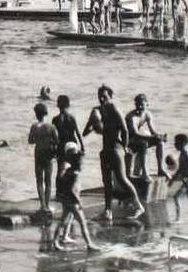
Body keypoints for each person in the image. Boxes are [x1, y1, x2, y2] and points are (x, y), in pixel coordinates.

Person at [82, 85, 146, 220]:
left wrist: (125, 146)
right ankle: (107, 211)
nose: (101, 99)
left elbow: (125, 130)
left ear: (110, 97)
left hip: (116, 148)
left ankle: (139, 206)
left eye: (104, 96)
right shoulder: (98, 111)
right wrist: (93, 122)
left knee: (122, 179)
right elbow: (85, 132)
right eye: (99, 96)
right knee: (107, 182)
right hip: (105, 149)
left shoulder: (114, 109)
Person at [52, 143, 98, 251]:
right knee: (82, 223)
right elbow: (73, 190)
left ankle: (55, 241)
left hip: (67, 200)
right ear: (78, 163)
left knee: (63, 221)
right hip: (73, 202)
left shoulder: (68, 171)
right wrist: (79, 202)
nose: (83, 164)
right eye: (82, 163)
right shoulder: (76, 174)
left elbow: (64, 185)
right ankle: (89, 244)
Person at [125, 94, 173, 180]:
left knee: (160, 142)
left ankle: (160, 169)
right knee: (143, 144)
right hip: (128, 141)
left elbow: (152, 131)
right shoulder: (131, 117)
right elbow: (135, 134)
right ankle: (144, 173)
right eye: (137, 105)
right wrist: (152, 137)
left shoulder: (147, 114)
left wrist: (159, 136)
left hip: (137, 140)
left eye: (141, 105)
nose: (139, 107)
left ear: (147, 105)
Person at [28, 102, 59, 214]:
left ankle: (42, 205)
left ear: (37, 114)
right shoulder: (51, 127)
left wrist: (38, 139)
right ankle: (47, 205)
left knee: (39, 180)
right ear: (45, 113)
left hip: (38, 153)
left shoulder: (34, 126)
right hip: (48, 154)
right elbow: (57, 141)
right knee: (48, 180)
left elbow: (30, 141)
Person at [52, 95, 84, 178]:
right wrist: (82, 147)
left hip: (61, 146)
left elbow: (54, 137)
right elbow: (78, 133)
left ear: (58, 105)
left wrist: (53, 149)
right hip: (72, 144)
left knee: (60, 170)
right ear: (68, 105)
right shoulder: (71, 118)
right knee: (73, 168)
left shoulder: (55, 119)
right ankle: (71, 187)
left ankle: (59, 189)